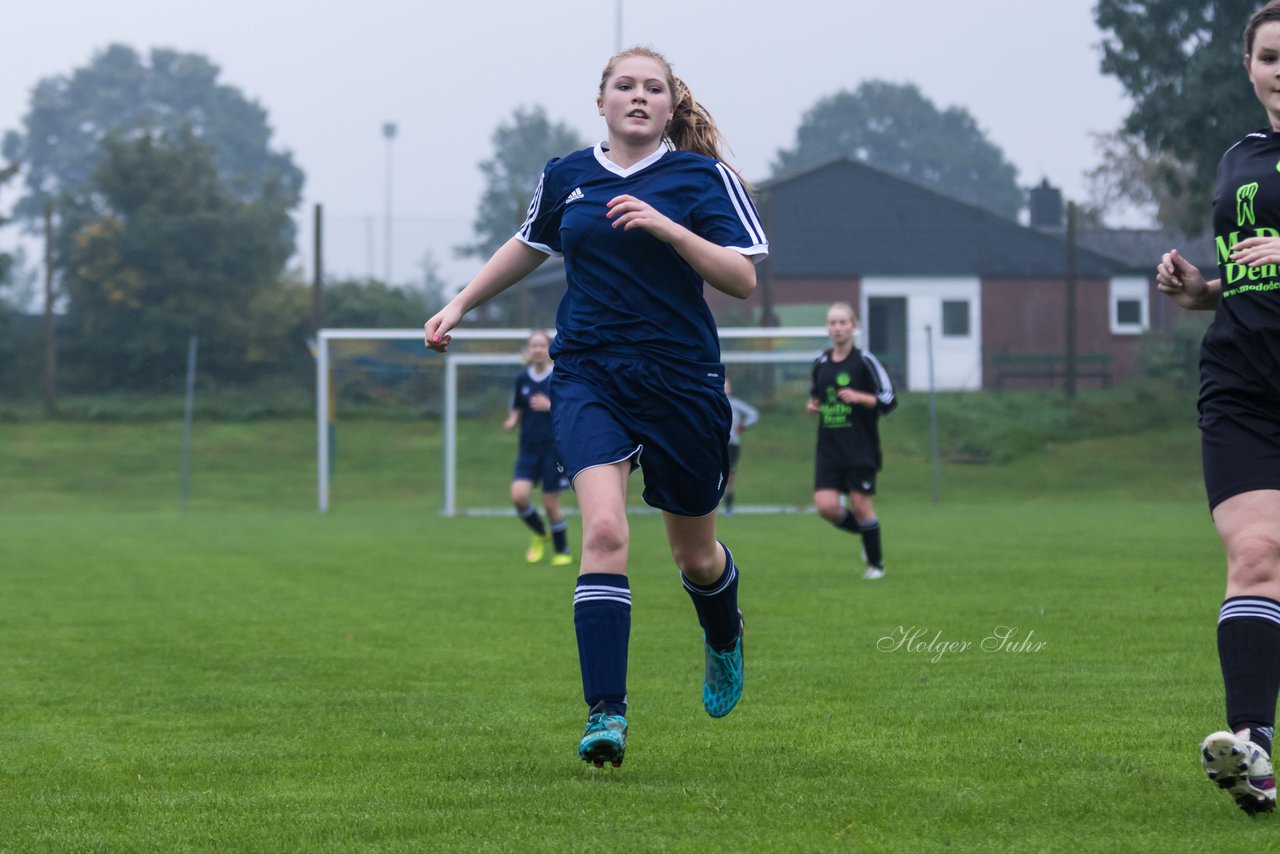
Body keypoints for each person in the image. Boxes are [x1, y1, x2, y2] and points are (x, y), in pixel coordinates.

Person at [424, 45, 768, 768]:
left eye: (653, 88)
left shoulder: (702, 178)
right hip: (586, 376)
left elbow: (742, 279)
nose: (638, 96)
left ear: (671, 107)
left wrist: (670, 228)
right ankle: (605, 715)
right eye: (625, 86)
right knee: (605, 530)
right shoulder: (566, 176)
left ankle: (724, 633)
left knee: (696, 555)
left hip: (681, 381)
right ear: (602, 99)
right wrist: (459, 302)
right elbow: (529, 244)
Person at [1156, 0, 1280, 816]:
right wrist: (1199, 288)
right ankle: (1253, 750)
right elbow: (1252, 273)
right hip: (1242, 385)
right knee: (1257, 554)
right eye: (1271, 56)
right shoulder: (1239, 158)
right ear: (1250, 67)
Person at [807, 302, 896, 580]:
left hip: (860, 446)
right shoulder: (820, 362)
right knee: (826, 506)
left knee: (860, 505)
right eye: (832, 323)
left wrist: (860, 397)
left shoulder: (865, 361)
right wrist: (813, 406)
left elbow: (889, 399)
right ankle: (867, 535)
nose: (837, 328)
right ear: (828, 328)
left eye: (843, 322)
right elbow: (816, 396)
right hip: (829, 447)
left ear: (854, 327)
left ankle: (876, 565)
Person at [503, 329, 573, 567]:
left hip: (553, 449)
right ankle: (540, 534)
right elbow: (517, 408)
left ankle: (562, 549)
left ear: (550, 350)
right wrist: (512, 420)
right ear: (528, 350)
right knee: (519, 497)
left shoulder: (558, 377)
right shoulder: (521, 379)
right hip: (528, 449)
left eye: (542, 345)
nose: (537, 350)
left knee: (550, 503)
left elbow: (570, 410)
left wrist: (549, 405)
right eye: (533, 346)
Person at [721, 376, 759, 515]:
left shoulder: (735, 404)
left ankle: (728, 507)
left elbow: (753, 414)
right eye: (723, 385)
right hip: (717, 445)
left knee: (730, 476)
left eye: (727, 385)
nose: (725, 388)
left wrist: (744, 424)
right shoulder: (713, 403)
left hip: (732, 445)